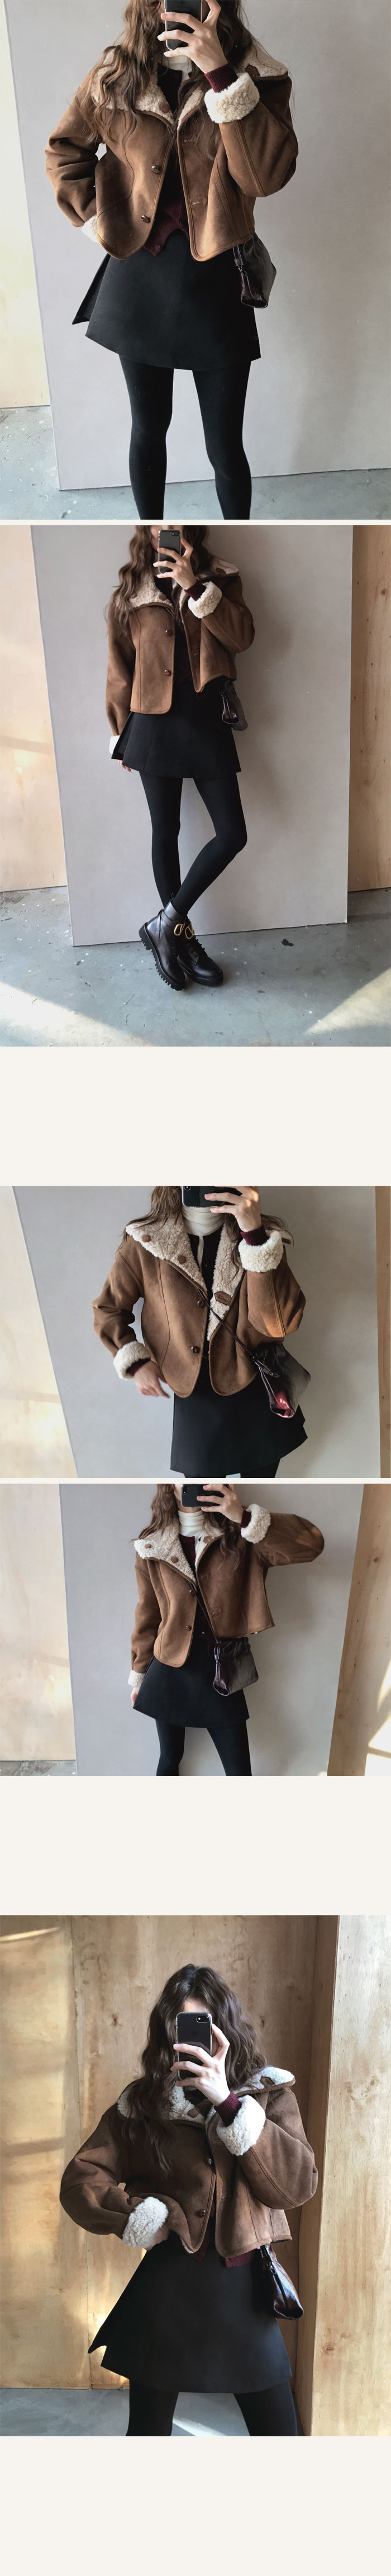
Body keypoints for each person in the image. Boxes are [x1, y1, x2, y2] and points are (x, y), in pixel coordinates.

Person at [45, 3, 298, 518]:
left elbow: (265, 177)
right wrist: (99, 220)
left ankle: (239, 530)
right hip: (138, 277)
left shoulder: (255, 72)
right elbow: (64, 152)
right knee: (148, 427)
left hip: (219, 276)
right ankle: (152, 534)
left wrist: (220, 73)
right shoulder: (117, 75)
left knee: (225, 443)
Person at [60, 1959, 317, 2436]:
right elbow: (81, 2181)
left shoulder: (269, 2094)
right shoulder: (141, 2106)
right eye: (181, 2027)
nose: (193, 2040)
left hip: (245, 2291)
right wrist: (136, 2216)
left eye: (203, 2024)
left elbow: (296, 2185)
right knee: (149, 2436)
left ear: (226, 2028)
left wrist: (229, 2103)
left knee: (280, 2436)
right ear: (166, 2034)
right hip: (167, 2291)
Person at [106, 522, 254, 988]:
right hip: (151, 724)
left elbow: (242, 638)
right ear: (146, 527)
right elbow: (119, 669)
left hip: (206, 717)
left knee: (232, 834)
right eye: (158, 521)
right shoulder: (132, 591)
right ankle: (182, 939)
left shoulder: (222, 577)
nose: (166, 527)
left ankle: (164, 925)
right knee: (165, 830)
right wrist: (120, 734)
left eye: (176, 520)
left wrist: (195, 587)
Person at [93, 1185, 309, 1474]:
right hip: (194, 1392)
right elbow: (109, 1310)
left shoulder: (261, 1237)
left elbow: (281, 1323)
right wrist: (136, 1362)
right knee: (202, 1486)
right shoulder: (146, 1241)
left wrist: (255, 1236)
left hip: (257, 1388)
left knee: (261, 1482)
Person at [129, 1480, 325, 1774]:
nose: (195, 1483)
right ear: (170, 1486)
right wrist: (139, 1674)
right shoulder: (151, 1545)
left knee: (238, 1770)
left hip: (222, 1669)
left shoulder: (240, 1537)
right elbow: (148, 1615)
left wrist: (243, 1517)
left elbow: (311, 1546)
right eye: (186, 1478)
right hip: (168, 1668)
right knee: (170, 1757)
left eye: (203, 1478)